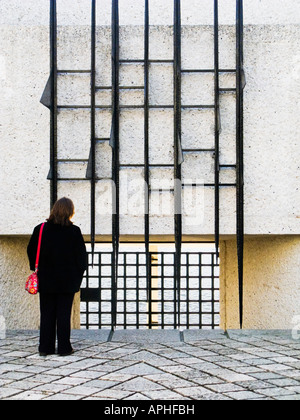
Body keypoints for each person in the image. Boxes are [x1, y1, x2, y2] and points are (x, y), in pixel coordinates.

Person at [27, 197, 88, 357]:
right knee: (63, 314)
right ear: (70, 212)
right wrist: (77, 276)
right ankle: (64, 348)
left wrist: (36, 268)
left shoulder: (40, 229)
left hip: (46, 279)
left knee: (46, 314)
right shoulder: (74, 231)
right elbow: (81, 258)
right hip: (67, 281)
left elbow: (31, 251)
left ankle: (45, 348)